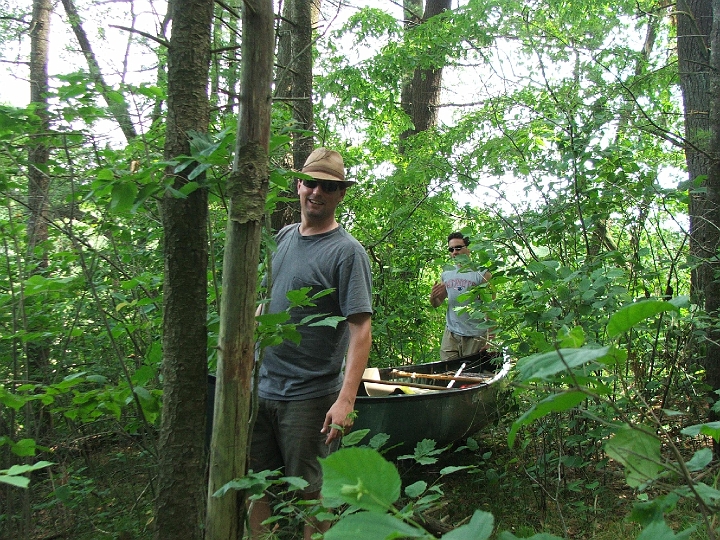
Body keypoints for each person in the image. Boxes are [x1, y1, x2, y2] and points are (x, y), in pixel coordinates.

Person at [249, 147, 373, 540]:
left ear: (340, 194)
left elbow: (360, 330)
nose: (316, 192)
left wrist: (346, 400)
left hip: (310, 397)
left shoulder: (347, 253)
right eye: (310, 183)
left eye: (327, 186)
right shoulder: (284, 236)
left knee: (312, 496)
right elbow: (266, 301)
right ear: (299, 186)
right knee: (257, 486)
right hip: (262, 388)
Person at [429, 232, 492, 361]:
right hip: (451, 333)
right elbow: (437, 303)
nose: (454, 252)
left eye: (458, 248)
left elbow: (491, 308)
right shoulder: (447, 273)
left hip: (475, 335)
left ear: (468, 249)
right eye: (451, 249)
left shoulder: (482, 274)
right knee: (448, 373)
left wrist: (491, 340)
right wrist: (433, 297)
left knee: (470, 375)